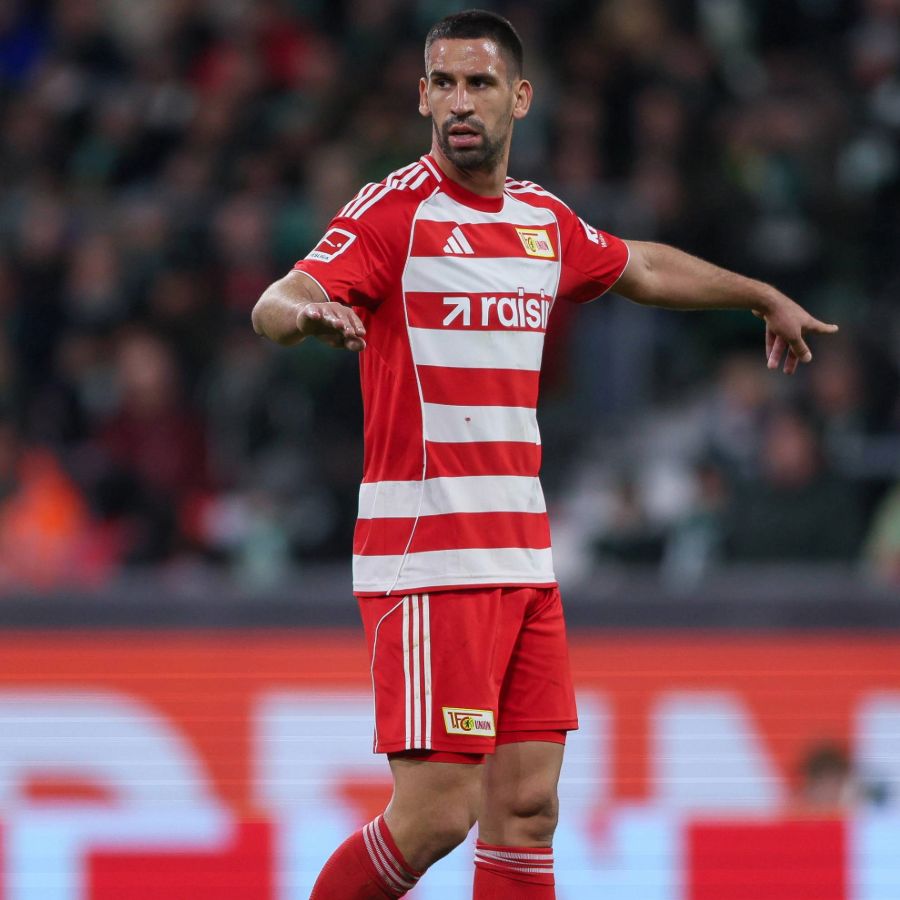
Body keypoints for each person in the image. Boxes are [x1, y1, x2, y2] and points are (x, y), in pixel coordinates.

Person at [252, 10, 839, 898]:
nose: (460, 102)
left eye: (479, 83)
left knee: (527, 812)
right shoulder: (393, 213)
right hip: (429, 557)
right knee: (437, 814)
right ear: (421, 97)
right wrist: (309, 314)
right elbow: (275, 300)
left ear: (520, 98)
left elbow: (641, 266)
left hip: (523, 557)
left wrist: (758, 295)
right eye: (444, 83)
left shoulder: (540, 220)